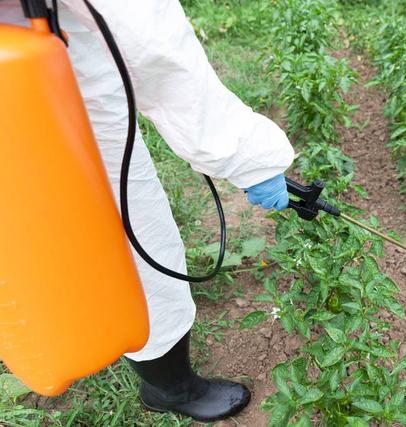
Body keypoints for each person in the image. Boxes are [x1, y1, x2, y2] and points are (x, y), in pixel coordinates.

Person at [1, 0, 294, 422]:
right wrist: (244, 154)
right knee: (130, 223)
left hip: (44, 41)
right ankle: (170, 386)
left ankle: (156, 376)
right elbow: (143, 28)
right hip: (36, 61)